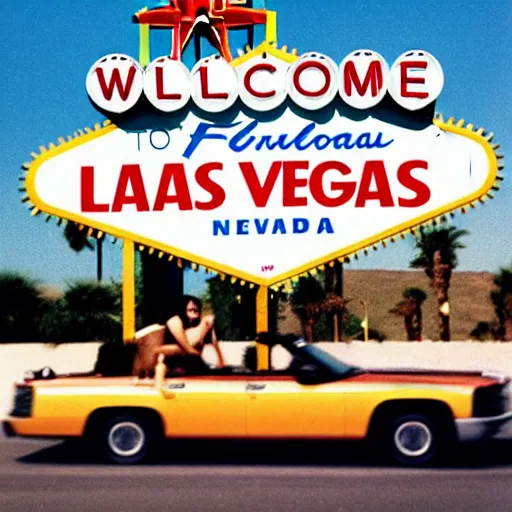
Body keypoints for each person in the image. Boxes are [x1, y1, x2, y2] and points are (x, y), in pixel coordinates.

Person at [153, 295, 225, 373]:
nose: (193, 314)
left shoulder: (197, 326)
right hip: (173, 361)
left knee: (208, 321)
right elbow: (188, 349)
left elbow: (213, 342)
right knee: (208, 321)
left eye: (196, 310)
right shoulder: (174, 321)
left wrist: (221, 362)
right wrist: (198, 356)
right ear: (183, 310)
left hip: (188, 363)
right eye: (190, 310)